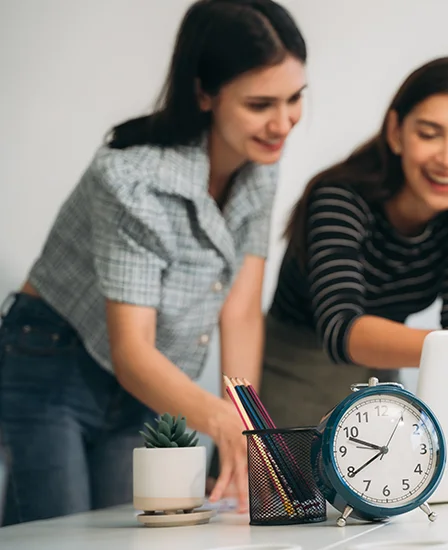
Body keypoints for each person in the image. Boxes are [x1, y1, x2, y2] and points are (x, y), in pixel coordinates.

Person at [0, 0, 307, 525]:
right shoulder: (129, 179)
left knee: (131, 533)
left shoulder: (259, 167)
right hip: (53, 361)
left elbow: (239, 313)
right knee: (60, 535)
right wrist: (219, 421)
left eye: (295, 97)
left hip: (151, 382)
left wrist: (249, 427)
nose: (282, 122)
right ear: (204, 93)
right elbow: (130, 350)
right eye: (260, 104)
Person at [262, 56, 448, 427]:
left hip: (382, 368)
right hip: (296, 366)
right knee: (288, 483)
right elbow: (341, 329)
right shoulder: (339, 198)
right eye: (429, 134)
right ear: (396, 132)